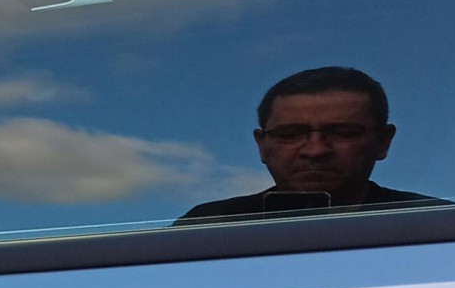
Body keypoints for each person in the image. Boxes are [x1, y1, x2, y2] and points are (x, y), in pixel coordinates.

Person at [178, 66, 440, 221]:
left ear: (383, 141)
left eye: (343, 133)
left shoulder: (433, 224)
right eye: (290, 134)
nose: (315, 150)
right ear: (262, 145)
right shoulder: (208, 226)